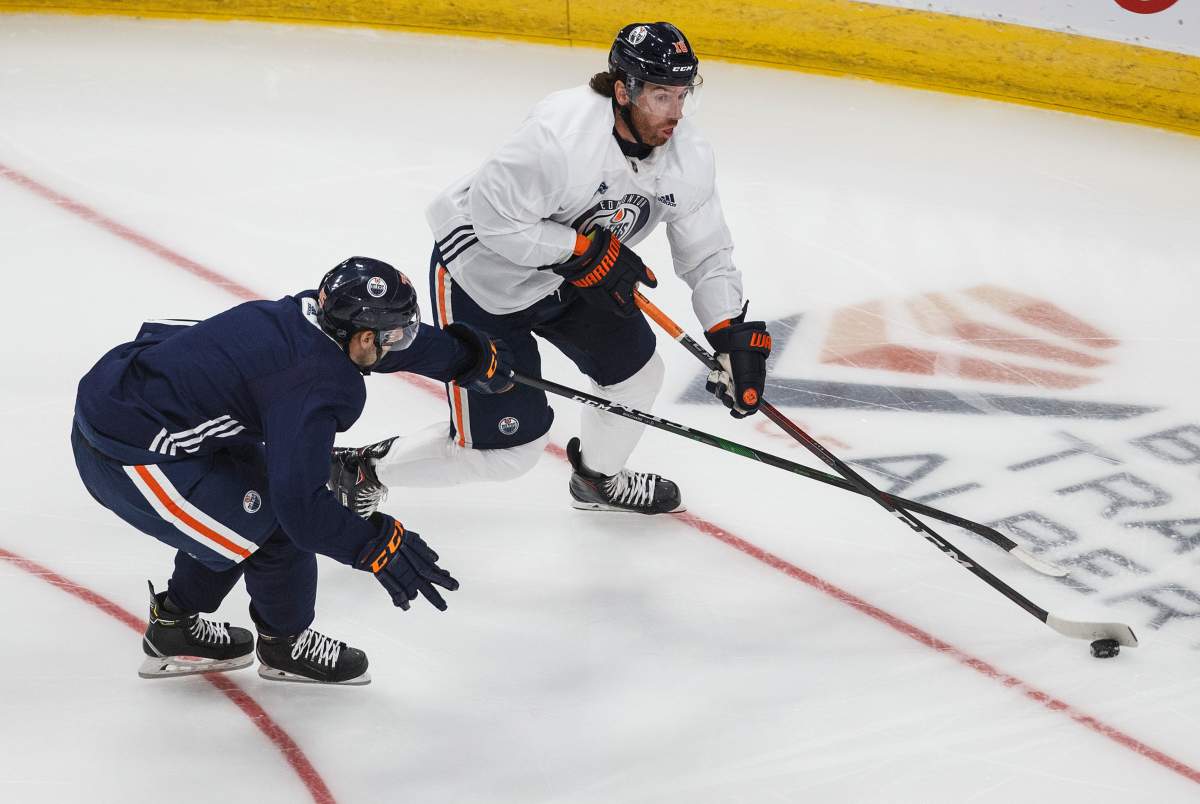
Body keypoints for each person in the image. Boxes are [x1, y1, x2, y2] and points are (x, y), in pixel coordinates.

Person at [332, 21, 772, 518]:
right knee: (506, 456)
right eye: (661, 97)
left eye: (682, 95)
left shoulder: (686, 155)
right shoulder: (559, 137)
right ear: (624, 89)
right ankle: (364, 469)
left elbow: (707, 253)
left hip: (571, 276)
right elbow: (493, 220)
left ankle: (597, 480)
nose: (675, 113)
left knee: (637, 375)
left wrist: (727, 329)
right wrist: (582, 252)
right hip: (484, 277)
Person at [71, 257, 512, 685]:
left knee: (246, 506)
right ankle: (283, 646)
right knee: (274, 525)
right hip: (130, 455)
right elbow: (300, 509)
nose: (398, 343)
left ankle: (174, 626)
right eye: (393, 335)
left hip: (144, 402)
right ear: (361, 338)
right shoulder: (313, 386)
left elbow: (372, 350)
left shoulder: (311, 317)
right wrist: (376, 545)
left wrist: (465, 359)